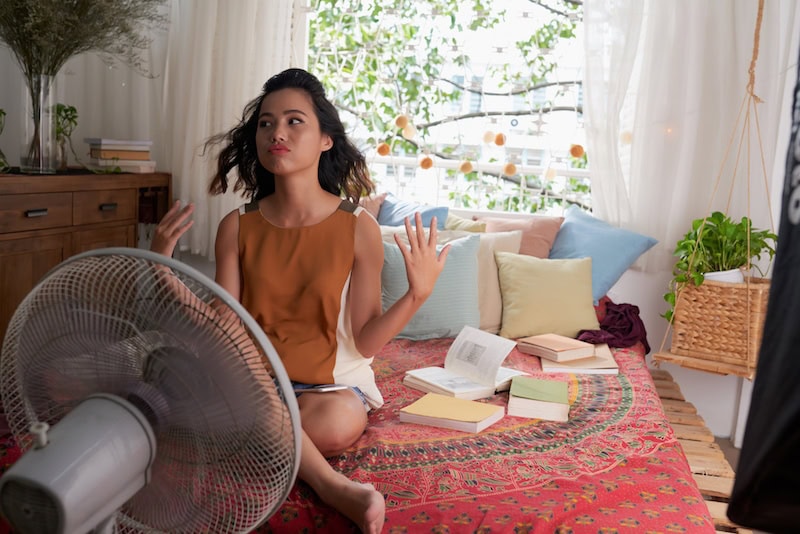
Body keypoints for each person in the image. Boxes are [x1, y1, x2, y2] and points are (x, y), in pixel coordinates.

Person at [150, 68, 449, 534]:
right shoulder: (237, 226)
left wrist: (417, 294)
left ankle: (263, 440)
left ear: (326, 139)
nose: (277, 133)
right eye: (266, 123)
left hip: (329, 392)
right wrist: (161, 267)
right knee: (227, 372)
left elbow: (367, 340)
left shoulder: (358, 227)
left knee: (326, 425)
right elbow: (222, 325)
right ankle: (335, 487)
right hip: (251, 378)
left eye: (294, 122)